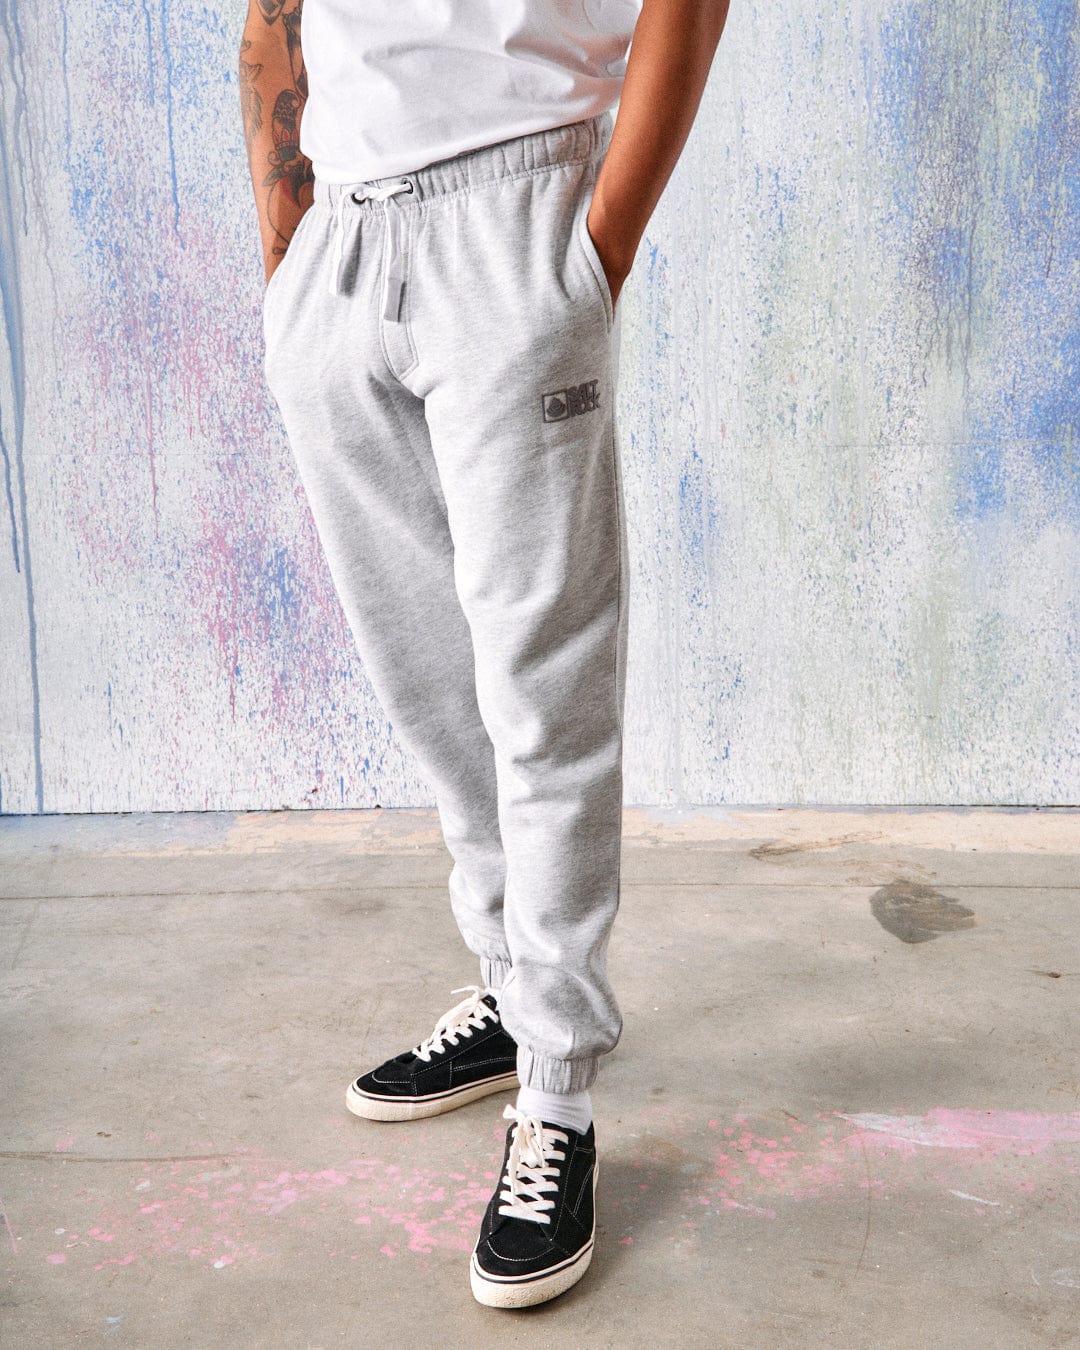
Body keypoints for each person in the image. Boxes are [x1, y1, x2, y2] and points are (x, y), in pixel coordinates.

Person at [239, 0, 728, 1307]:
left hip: (517, 216)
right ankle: (510, 989)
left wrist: (594, 256)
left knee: (543, 681)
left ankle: (556, 1090)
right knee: (426, 674)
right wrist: (286, 247)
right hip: (338, 235)